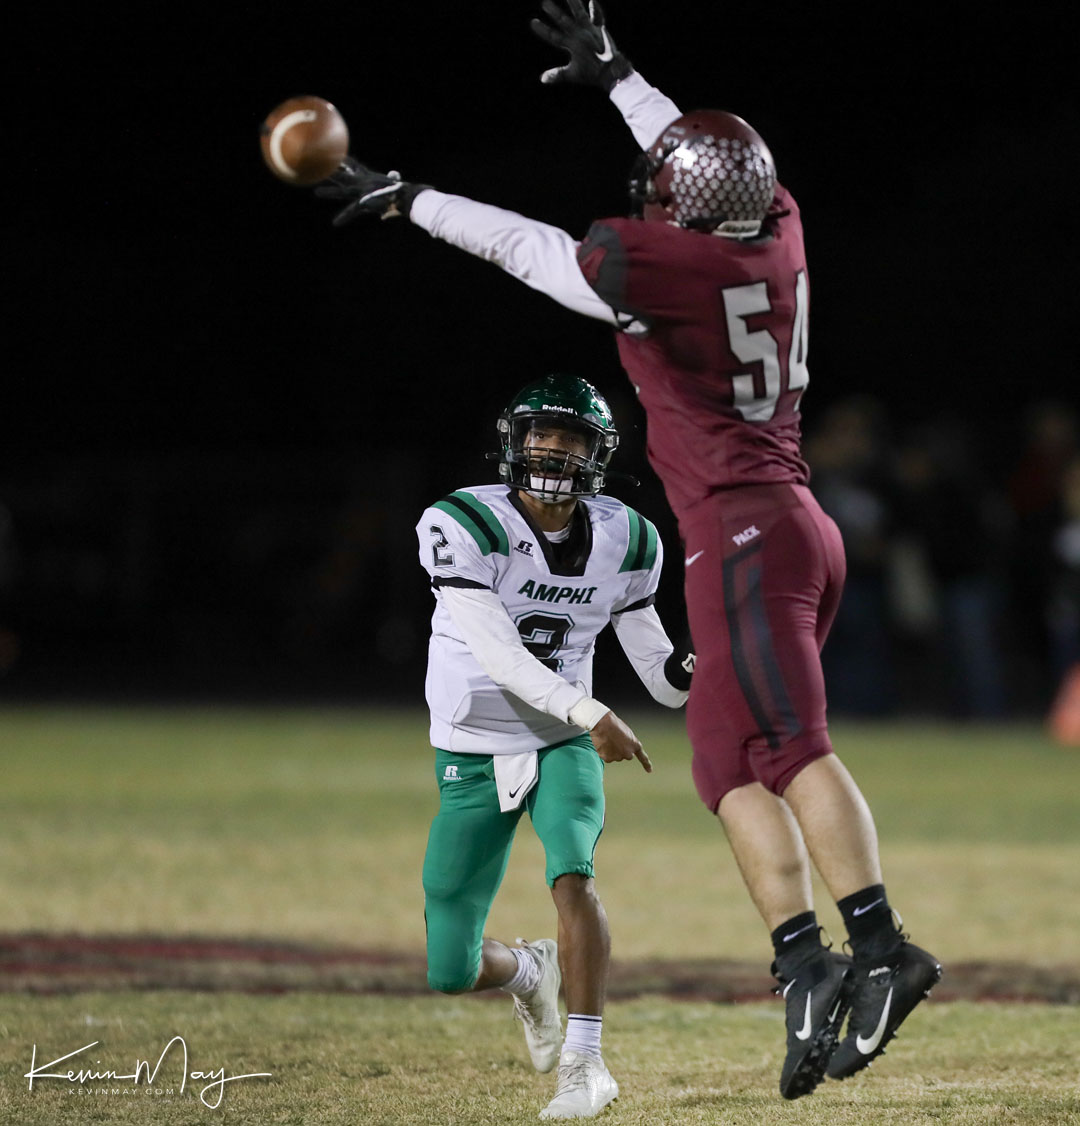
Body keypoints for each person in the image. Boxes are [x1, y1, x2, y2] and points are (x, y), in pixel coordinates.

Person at [312, 0, 941, 1099]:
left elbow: (525, 247)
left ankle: (883, 944)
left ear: (673, 211)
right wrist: (622, 81)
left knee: (791, 750)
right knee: (726, 768)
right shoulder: (777, 224)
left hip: (749, 532)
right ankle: (804, 963)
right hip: (784, 528)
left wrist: (408, 197)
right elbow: (696, 168)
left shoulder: (664, 269)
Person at [415, 373, 693, 1119]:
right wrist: (593, 709)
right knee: (450, 967)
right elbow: (502, 655)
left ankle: (585, 1062)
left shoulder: (628, 536)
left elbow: (662, 677)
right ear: (514, 441)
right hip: (474, 746)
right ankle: (526, 972)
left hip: (562, 738)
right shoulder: (462, 521)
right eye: (541, 435)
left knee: (573, 873)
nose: (553, 451)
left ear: (598, 453)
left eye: (571, 439)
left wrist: (711, 665)